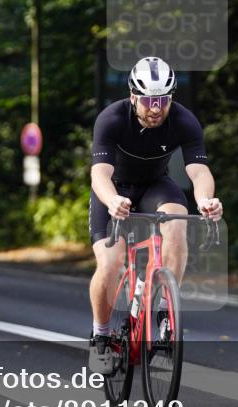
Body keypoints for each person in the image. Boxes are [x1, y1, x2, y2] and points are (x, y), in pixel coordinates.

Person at [86, 57, 222, 374]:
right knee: (111, 264)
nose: (156, 108)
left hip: (155, 186)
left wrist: (206, 200)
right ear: (133, 96)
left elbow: (199, 171)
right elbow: (99, 174)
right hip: (114, 188)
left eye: (163, 100)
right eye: (149, 100)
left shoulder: (184, 121)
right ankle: (101, 337)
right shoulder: (112, 118)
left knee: (178, 220)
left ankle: (163, 311)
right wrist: (111, 201)